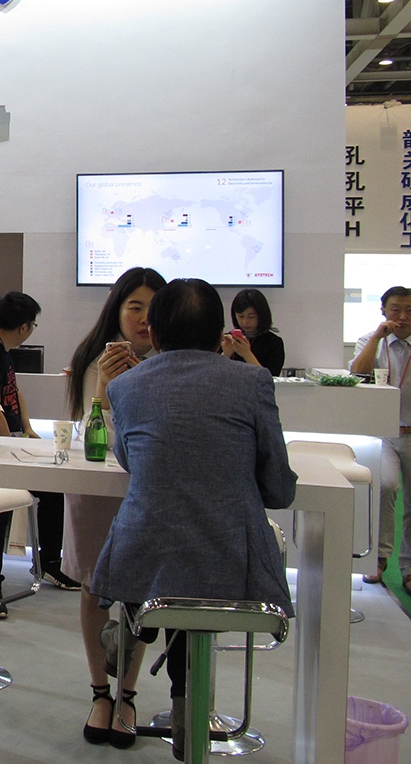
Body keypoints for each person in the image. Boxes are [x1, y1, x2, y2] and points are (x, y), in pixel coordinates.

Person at [90, 278, 296, 760]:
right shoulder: (252, 382)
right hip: (231, 567)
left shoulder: (125, 386)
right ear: (218, 333)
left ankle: (132, 632)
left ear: (156, 333)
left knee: (168, 562)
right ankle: (187, 712)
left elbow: (129, 460)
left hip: (143, 563)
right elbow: (279, 488)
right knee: (194, 568)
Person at [63, 266, 166, 747]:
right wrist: (104, 387)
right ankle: (99, 693)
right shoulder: (94, 360)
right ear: (116, 310)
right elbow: (92, 439)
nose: (144, 319)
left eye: (153, 308)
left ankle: (127, 694)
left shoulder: (171, 362)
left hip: (148, 492)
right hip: (95, 492)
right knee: (93, 587)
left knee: (139, 594)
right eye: (134, 307)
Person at [0, 291, 75, 617]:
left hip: (4, 445)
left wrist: (28, 428)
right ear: (23, 327)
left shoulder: (0, 350)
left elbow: (13, 390)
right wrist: (12, 449)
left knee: (52, 489)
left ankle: (49, 563)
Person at [350, 285, 411, 589]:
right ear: (384, 310)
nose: (403, 316)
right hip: (383, 434)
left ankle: (409, 568)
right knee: (385, 486)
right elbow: (357, 375)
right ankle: (378, 558)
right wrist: (377, 337)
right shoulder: (370, 340)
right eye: (396, 309)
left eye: (409, 310)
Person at [222, 288, 285, 377]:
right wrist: (226, 354)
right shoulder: (227, 340)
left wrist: (247, 354)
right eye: (240, 316)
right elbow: (213, 374)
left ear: (262, 315)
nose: (245, 322)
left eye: (251, 317)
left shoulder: (274, 343)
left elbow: (270, 379)